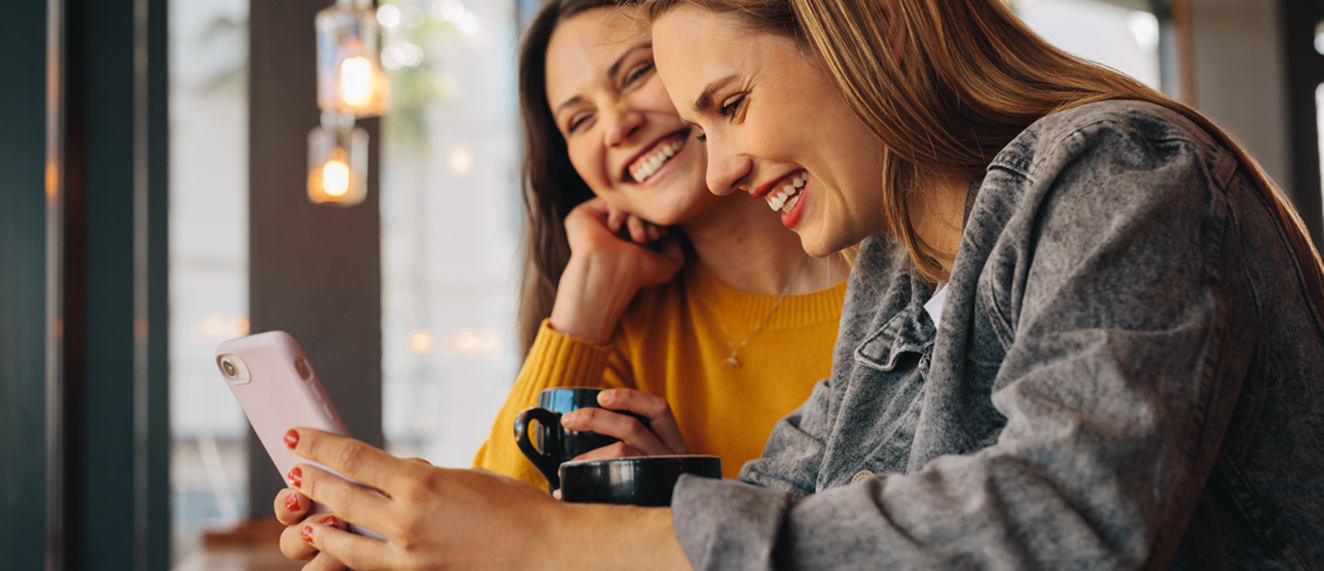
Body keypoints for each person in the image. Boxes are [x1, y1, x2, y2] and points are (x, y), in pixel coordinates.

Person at [272, 0, 1324, 569]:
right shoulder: (895, 277)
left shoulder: (1119, 169)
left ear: (871, 25)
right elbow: (782, 496)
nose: (716, 161)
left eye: (725, 103)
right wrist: (427, 539)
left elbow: (1061, 524)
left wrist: (550, 540)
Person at [468, 0, 848, 489]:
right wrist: (585, 295)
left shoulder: (913, 275)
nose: (615, 126)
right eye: (580, 120)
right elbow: (497, 537)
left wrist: (693, 511)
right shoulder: (619, 330)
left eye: (637, 73)